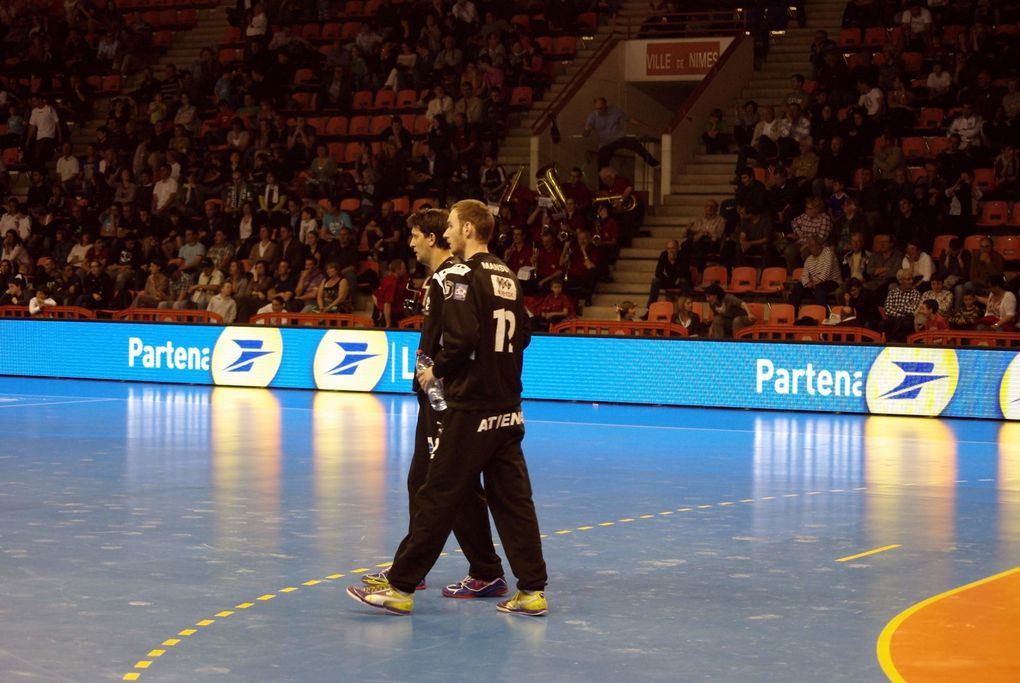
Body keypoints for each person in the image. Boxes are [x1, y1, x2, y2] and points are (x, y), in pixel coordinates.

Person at [348, 199, 547, 617]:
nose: (450, 231)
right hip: (507, 405)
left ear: (469, 230)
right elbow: (523, 335)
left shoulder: (461, 275)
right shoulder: (508, 276)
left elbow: (461, 340)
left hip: (470, 405)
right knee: (514, 502)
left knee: (438, 492)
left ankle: (401, 585)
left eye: (454, 225)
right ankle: (532, 590)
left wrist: (434, 371)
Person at [582, 97, 659, 170]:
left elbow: (629, 119)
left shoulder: (614, 110)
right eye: (597, 108)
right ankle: (603, 182)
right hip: (605, 143)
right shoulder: (592, 116)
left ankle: (654, 163)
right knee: (602, 163)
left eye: (601, 108)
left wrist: (646, 126)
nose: (599, 111)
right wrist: (586, 132)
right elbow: (588, 127)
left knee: (636, 145)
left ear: (605, 105)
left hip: (619, 138)